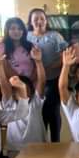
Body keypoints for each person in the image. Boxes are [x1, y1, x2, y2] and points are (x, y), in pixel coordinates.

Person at [27, 8, 69, 142]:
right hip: (33, 81)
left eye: (42, 18)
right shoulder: (27, 36)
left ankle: (56, 141)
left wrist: (45, 68)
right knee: (38, 110)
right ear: (30, 22)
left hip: (52, 79)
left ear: (46, 21)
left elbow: (64, 56)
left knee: (53, 109)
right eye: (35, 19)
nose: (39, 21)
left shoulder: (55, 36)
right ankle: (42, 140)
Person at [4, 48, 48, 150]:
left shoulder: (35, 102)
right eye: (19, 89)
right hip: (15, 150)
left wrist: (38, 61)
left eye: (26, 89)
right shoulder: (10, 104)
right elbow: (3, 83)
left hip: (38, 149)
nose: (24, 92)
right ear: (13, 93)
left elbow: (42, 81)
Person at [0, 17, 34, 81]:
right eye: (13, 28)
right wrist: (20, 82)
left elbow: (36, 66)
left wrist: (30, 82)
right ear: (7, 30)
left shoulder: (30, 45)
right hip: (11, 83)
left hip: (31, 81)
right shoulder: (1, 47)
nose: (16, 31)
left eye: (19, 29)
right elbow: (1, 68)